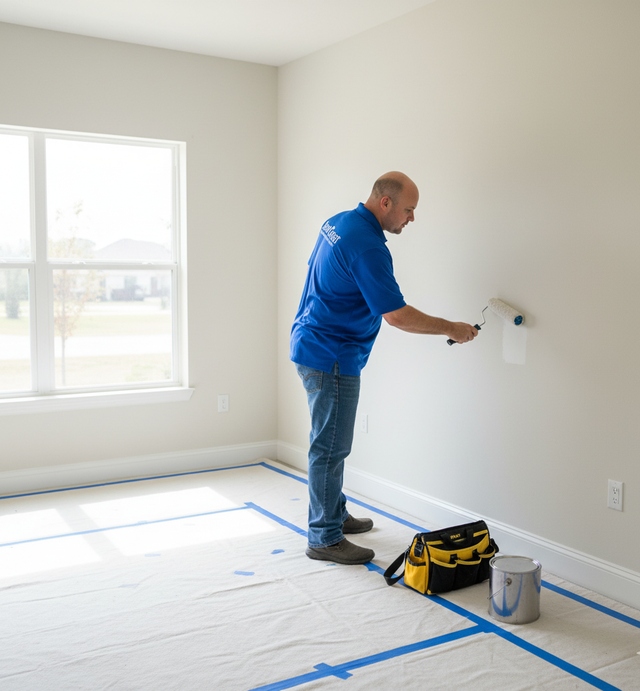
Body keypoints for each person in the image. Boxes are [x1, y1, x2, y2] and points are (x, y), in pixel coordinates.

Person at [290, 172, 478, 565]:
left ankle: (334, 513)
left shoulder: (340, 222)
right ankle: (323, 537)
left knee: (328, 440)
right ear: (386, 203)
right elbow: (396, 315)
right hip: (332, 355)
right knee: (330, 447)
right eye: (409, 210)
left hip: (313, 341)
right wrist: (452, 328)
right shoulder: (367, 246)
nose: (412, 218)